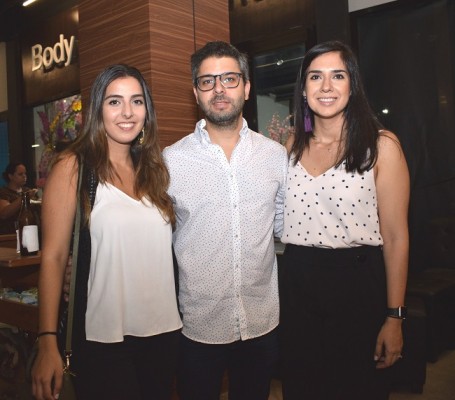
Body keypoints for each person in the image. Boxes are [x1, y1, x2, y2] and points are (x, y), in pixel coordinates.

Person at [31, 64, 182, 400]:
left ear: (147, 110)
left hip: (165, 335)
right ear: (98, 109)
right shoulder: (74, 167)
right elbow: (54, 258)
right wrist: (46, 340)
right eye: (115, 102)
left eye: (137, 101)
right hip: (104, 341)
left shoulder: (155, 170)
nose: (127, 112)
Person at [279, 40, 410, 400]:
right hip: (297, 286)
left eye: (337, 76)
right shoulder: (289, 148)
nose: (326, 87)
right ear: (303, 89)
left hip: (357, 287)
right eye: (315, 77)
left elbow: (397, 237)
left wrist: (395, 316)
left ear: (352, 85)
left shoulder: (381, 146)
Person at [162, 41, 288, 400]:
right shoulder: (171, 162)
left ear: (247, 88)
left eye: (229, 79)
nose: (219, 89)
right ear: (195, 92)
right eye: (207, 81)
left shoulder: (274, 156)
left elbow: (284, 227)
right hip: (197, 329)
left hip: (261, 323)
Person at [0, 162, 37, 234]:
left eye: (25, 173)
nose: (24, 176)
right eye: (20, 174)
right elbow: (4, 214)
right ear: (11, 176)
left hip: (31, 232)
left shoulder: (27, 190)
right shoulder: (3, 192)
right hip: (11, 234)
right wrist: (25, 197)